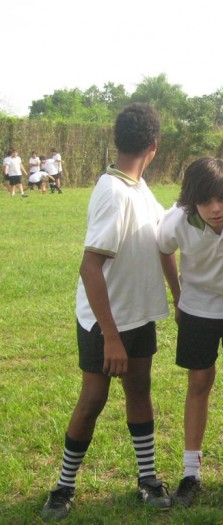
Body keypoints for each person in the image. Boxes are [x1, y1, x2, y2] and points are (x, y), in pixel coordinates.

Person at [40, 103, 171, 522]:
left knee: (140, 389)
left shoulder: (140, 188)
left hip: (138, 314)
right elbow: (90, 267)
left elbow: (165, 240)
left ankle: (147, 479)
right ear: (154, 145)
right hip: (105, 321)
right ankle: (63, 487)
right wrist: (111, 337)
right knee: (94, 398)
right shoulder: (114, 192)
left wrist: (179, 295)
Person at [157, 157, 223, 508]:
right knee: (199, 383)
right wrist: (178, 295)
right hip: (197, 310)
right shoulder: (176, 221)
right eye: (205, 202)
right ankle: (191, 473)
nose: (216, 209)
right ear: (191, 201)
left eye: (222, 199)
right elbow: (163, 249)